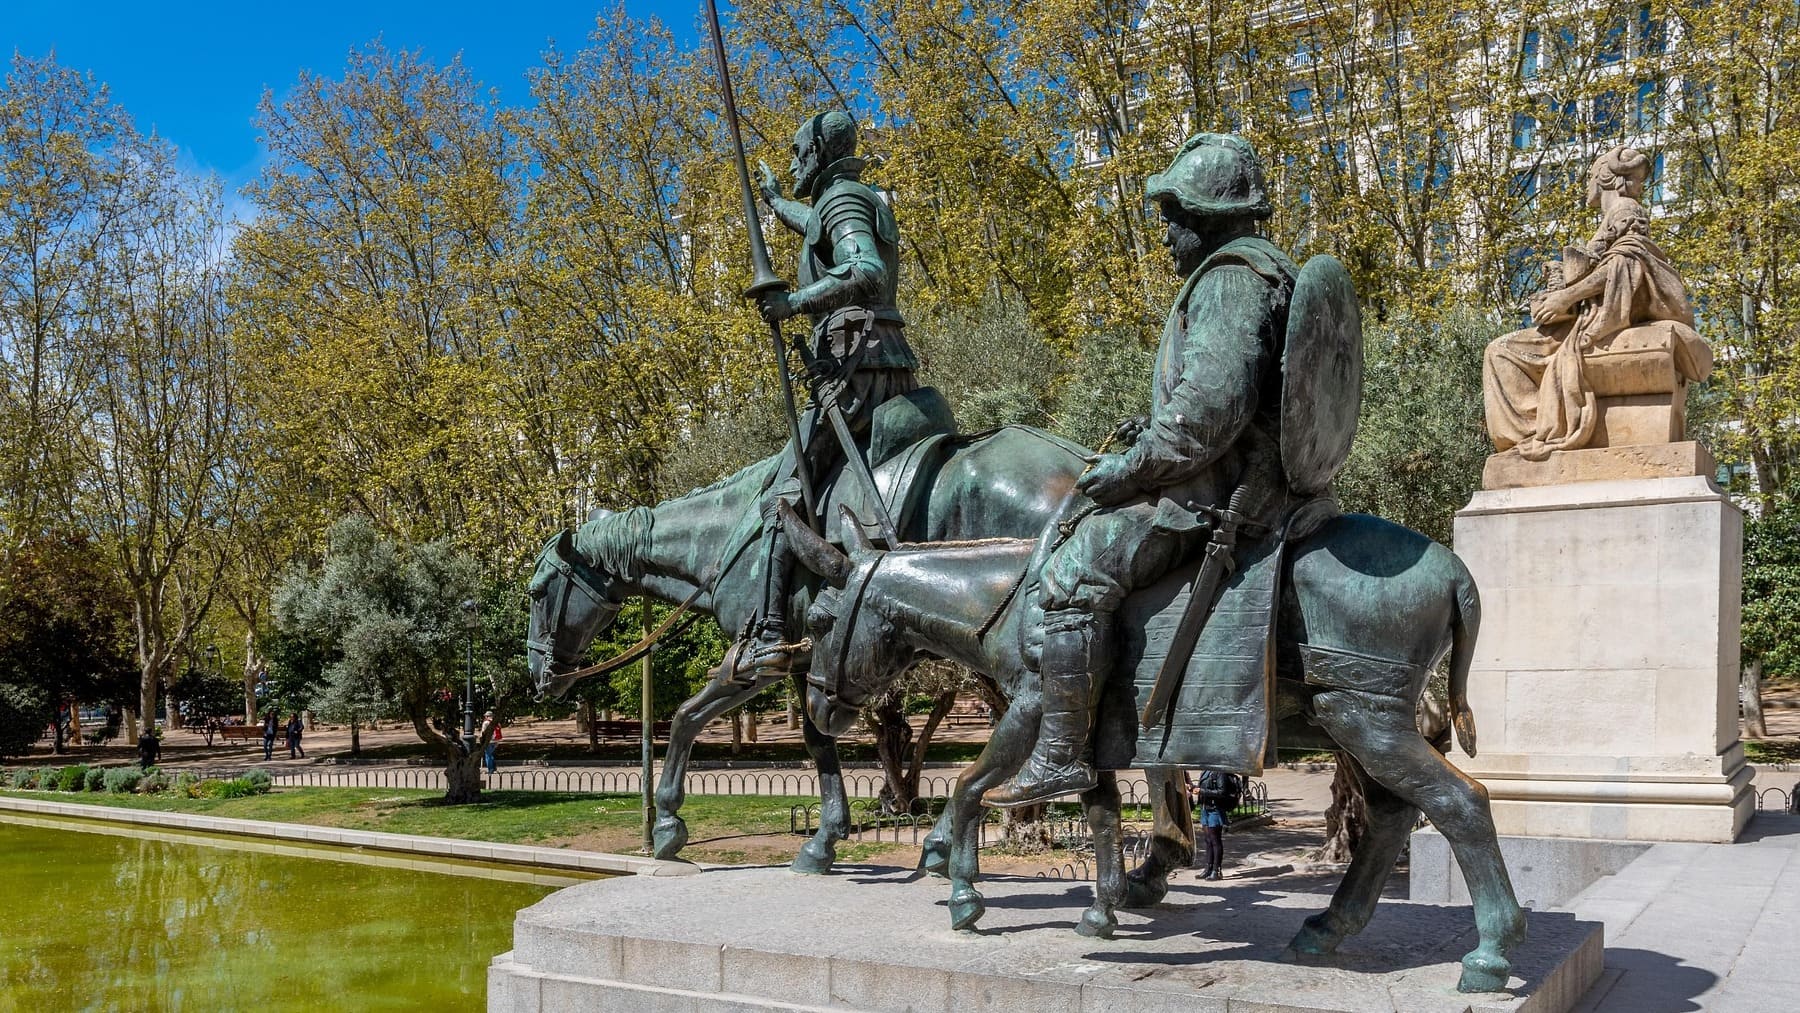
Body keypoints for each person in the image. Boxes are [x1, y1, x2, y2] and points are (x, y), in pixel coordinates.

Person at [984, 134, 1300, 807]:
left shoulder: (1230, 279)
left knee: (1073, 572)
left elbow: (1208, 413)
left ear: (1203, 217)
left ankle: (1063, 753)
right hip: (1237, 476)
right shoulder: (1266, 271)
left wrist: (1131, 469)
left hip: (1212, 496)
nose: (1163, 236)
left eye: (1172, 219)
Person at [736, 110, 925, 676]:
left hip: (856, 372)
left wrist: (793, 304)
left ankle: (769, 633)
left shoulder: (842, 201)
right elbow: (819, 225)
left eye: (798, 154)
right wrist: (774, 202)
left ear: (818, 154)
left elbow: (863, 269)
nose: (793, 163)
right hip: (882, 359)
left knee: (782, 493)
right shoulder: (847, 199)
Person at [1483, 145, 1705, 460]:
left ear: (1604, 177)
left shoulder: (1626, 209)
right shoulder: (1610, 219)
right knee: (1501, 351)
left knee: (1500, 352)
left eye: (1589, 176)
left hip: (1597, 323)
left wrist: (1566, 296)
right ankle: (1536, 428)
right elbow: (1607, 268)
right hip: (1586, 316)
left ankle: (1535, 433)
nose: (1587, 183)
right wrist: (1563, 280)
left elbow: (1628, 261)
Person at [1192, 768, 1243, 880]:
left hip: (1215, 809)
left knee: (1215, 840)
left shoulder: (1220, 772)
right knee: (1208, 840)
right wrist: (1192, 788)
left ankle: (1217, 870)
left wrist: (1202, 791)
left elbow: (1222, 792)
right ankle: (1208, 868)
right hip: (1205, 808)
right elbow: (1203, 787)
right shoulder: (1205, 771)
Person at [478, 710, 500, 774]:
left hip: (488, 741)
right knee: (490, 754)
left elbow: (483, 732)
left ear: (487, 716)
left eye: (485, 716)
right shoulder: (496, 722)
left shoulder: (486, 723)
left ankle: (490, 769)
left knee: (487, 755)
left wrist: (481, 739)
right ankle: (493, 767)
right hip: (496, 741)